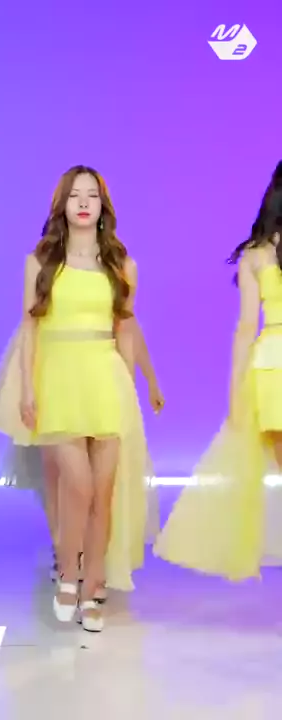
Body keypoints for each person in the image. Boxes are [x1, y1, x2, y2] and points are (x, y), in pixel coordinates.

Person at [0, 165, 153, 631]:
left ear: (102, 206)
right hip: (58, 379)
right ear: (62, 204)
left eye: (91, 195)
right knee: (76, 484)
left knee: (103, 492)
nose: (83, 203)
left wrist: (132, 391)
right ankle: (69, 574)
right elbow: (30, 328)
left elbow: (125, 331)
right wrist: (28, 388)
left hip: (106, 379)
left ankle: (94, 584)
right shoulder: (40, 262)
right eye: (75, 195)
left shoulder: (121, 265)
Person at [153, 161, 282, 579]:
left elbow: (245, 329)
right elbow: (245, 328)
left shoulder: (257, 255)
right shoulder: (257, 255)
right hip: (273, 370)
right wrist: (234, 394)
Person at [2, 318, 164, 600]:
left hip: (96, 362)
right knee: (55, 465)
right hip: (49, 355)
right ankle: (65, 553)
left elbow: (125, 322)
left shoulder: (115, 287)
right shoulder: (44, 286)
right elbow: (32, 320)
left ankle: (88, 563)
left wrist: (141, 380)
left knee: (91, 477)